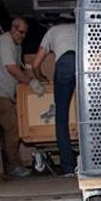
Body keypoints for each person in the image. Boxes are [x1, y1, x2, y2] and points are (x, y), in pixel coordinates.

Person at [0, 17, 42, 178]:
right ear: (13, 28)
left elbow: (20, 68)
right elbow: (11, 69)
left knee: (11, 127)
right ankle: (14, 166)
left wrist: (34, 76)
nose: (22, 36)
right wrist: (31, 83)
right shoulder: (6, 41)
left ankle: (11, 163)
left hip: (4, 93)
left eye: (25, 34)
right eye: (21, 32)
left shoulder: (17, 46)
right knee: (13, 127)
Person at [32, 17, 77, 176]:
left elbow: (35, 64)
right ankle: (97, 163)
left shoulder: (52, 31)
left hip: (65, 63)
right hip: (86, 61)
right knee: (91, 116)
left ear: (56, 23)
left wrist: (41, 77)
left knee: (61, 118)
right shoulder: (79, 26)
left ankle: (68, 168)